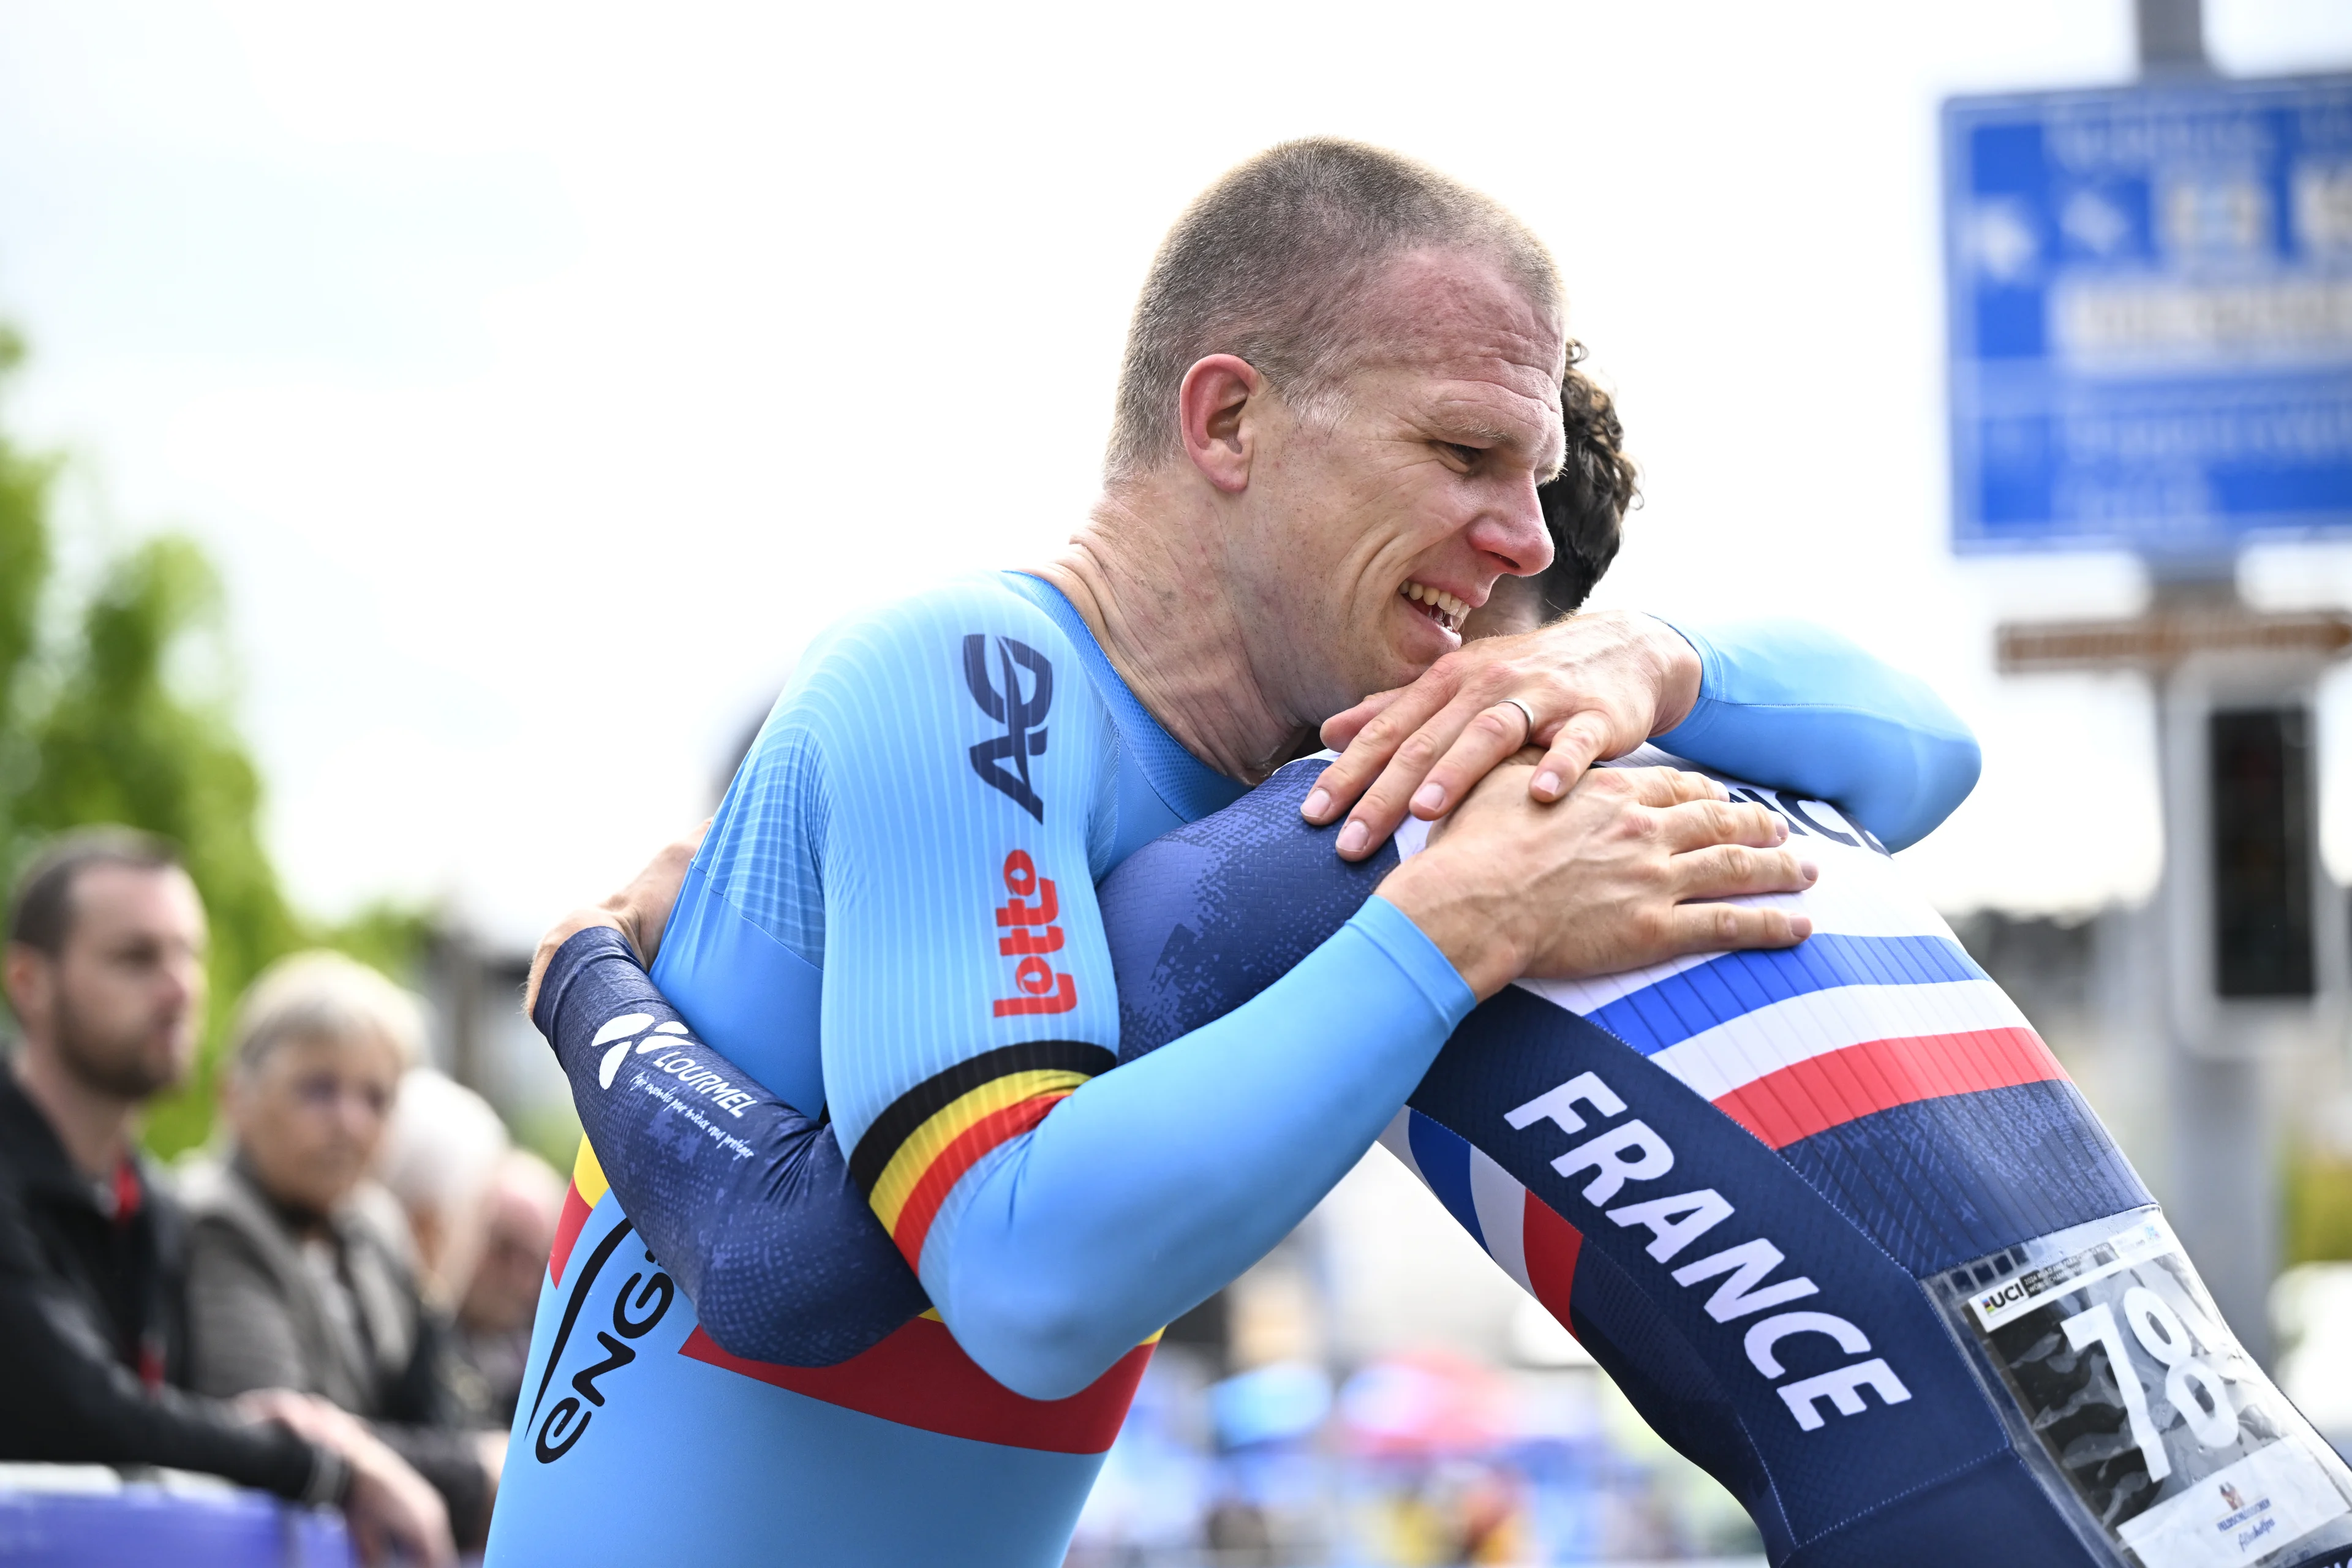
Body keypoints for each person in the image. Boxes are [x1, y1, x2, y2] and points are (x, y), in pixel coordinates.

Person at [485, 139, 1980, 1566]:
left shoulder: (1327, 782)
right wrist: (1456, 933)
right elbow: (1019, 1278)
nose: (1525, 540)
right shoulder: (968, 677)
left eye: (1531, 482)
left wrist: (1649, 660)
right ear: (1225, 423)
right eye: (1465, 452)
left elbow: (1921, 759)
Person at [0, 828, 454, 1566]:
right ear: (30, 983)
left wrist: (281, 1430)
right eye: (137, 957)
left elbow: (165, 1417)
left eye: (189, 953)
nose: (181, 988)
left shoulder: (145, 1199)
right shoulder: (196, 1210)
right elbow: (83, 1408)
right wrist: (329, 1463)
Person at [179, 951, 501, 1552]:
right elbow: (278, 1431)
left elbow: (434, 1406)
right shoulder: (211, 1221)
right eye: (318, 1089)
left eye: (376, 1098)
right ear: (235, 1097)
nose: (351, 1122)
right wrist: (477, 1473)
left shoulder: (372, 1226)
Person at [447, 1150, 565, 1428]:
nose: (518, 1278)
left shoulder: (539, 1379)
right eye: (505, 1250)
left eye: (534, 1261)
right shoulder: (406, 1331)